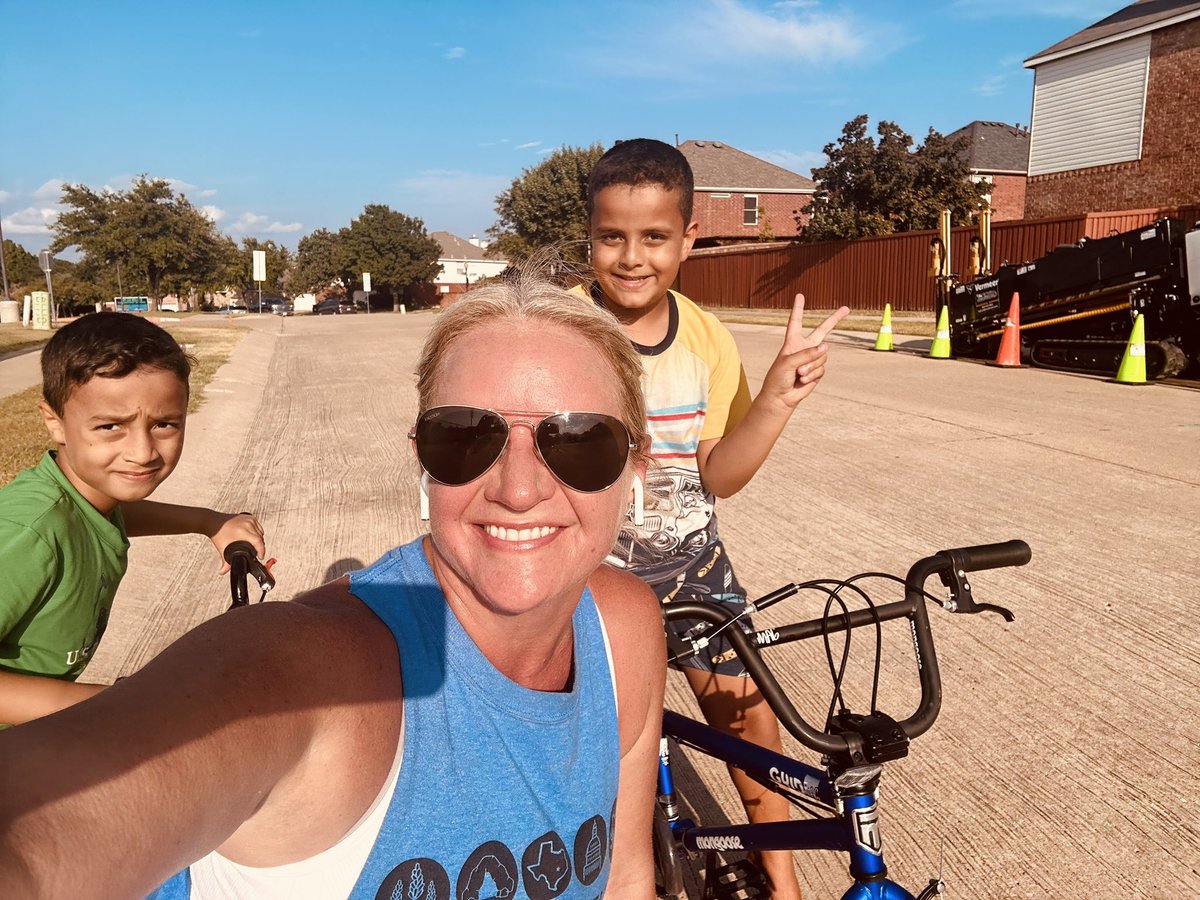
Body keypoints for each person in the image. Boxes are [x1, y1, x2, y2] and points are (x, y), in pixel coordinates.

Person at [0, 276, 667, 900]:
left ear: (637, 462)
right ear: (420, 457)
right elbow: (38, 838)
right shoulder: (312, 668)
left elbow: (628, 879)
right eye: (464, 437)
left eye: (581, 440)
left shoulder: (622, 626)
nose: (519, 490)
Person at [574, 138, 849, 899]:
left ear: (688, 238)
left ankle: (781, 877)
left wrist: (776, 403)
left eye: (655, 236)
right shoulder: (564, 329)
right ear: (590, 235)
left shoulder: (705, 338)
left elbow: (719, 473)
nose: (632, 257)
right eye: (612, 236)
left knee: (749, 719)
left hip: (695, 565)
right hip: (589, 577)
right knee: (602, 747)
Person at [0, 312, 265, 727]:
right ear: (55, 423)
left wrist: (210, 521)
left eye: (164, 424)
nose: (142, 452)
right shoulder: (27, 532)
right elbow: (56, 527)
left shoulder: (81, 500)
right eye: (110, 426)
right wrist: (123, 702)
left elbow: (103, 516)